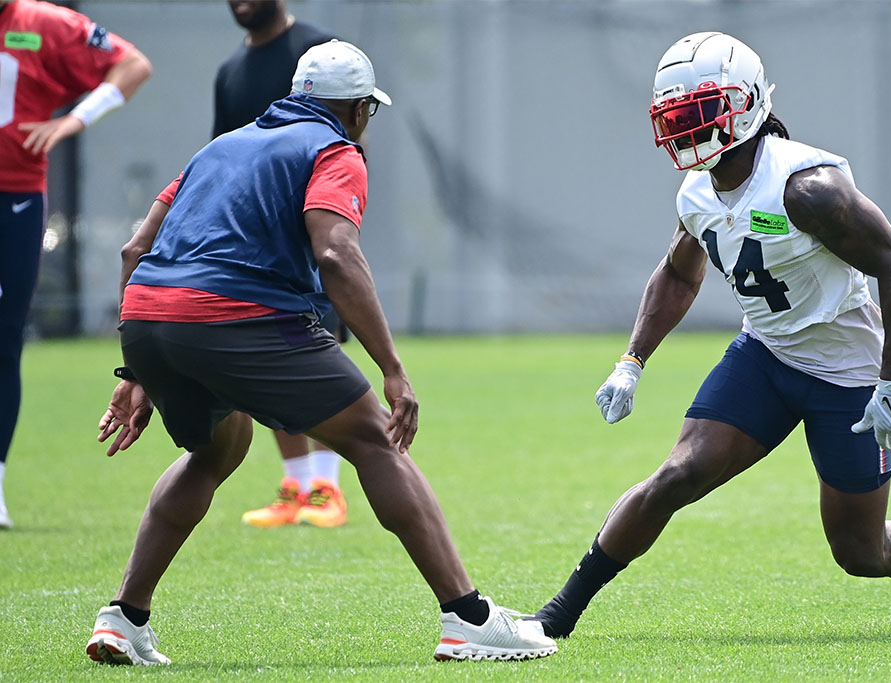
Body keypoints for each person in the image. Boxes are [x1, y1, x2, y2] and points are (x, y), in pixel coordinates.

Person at [84, 40, 557, 666]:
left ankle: (124, 619)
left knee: (216, 449)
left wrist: (138, 369)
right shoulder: (334, 149)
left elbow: (133, 251)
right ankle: (469, 619)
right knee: (373, 440)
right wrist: (393, 368)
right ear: (358, 109)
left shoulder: (217, 148)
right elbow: (336, 253)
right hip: (242, 318)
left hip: (150, 316)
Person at [529, 32, 891, 641]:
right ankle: (556, 618)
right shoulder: (697, 191)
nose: (686, 130)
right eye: (675, 118)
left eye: (700, 112)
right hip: (765, 356)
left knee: (859, 552)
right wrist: (631, 360)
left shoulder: (806, 187)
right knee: (677, 475)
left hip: (845, 374)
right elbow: (678, 273)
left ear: (746, 104)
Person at [0, 0, 151, 530]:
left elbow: (133, 64)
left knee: (5, 337)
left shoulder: (43, 24)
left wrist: (74, 118)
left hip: (13, 196)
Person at [216, 0, 350, 528]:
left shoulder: (318, 52)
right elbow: (223, 152)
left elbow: (347, 140)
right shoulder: (230, 71)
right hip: (251, 246)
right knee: (266, 352)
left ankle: (327, 487)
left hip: (309, 234)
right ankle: (296, 484)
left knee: (317, 353)